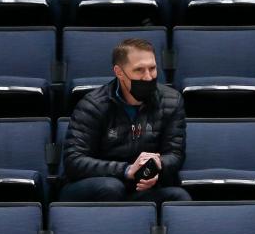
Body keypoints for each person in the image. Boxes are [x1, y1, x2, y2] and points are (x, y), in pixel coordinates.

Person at [60, 38, 191, 203]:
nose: (148, 77)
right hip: (94, 185)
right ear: (119, 72)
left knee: (179, 196)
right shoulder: (93, 105)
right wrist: (126, 170)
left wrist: (157, 165)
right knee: (112, 188)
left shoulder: (171, 101)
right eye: (139, 70)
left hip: (141, 186)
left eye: (152, 68)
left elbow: (175, 154)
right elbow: (74, 160)